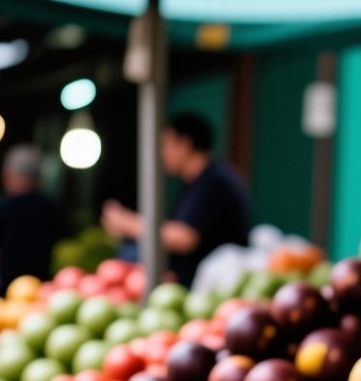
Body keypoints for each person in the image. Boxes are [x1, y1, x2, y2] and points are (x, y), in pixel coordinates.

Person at [102, 113, 253, 285]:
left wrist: (127, 223)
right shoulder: (196, 181)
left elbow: (185, 238)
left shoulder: (215, 182)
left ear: (184, 144)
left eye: (165, 144)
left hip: (209, 286)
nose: (161, 152)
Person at [0, 144, 61, 291]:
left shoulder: (3, 206)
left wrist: (1, 258)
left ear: (10, 174)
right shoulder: (51, 209)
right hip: (42, 290)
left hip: (7, 291)